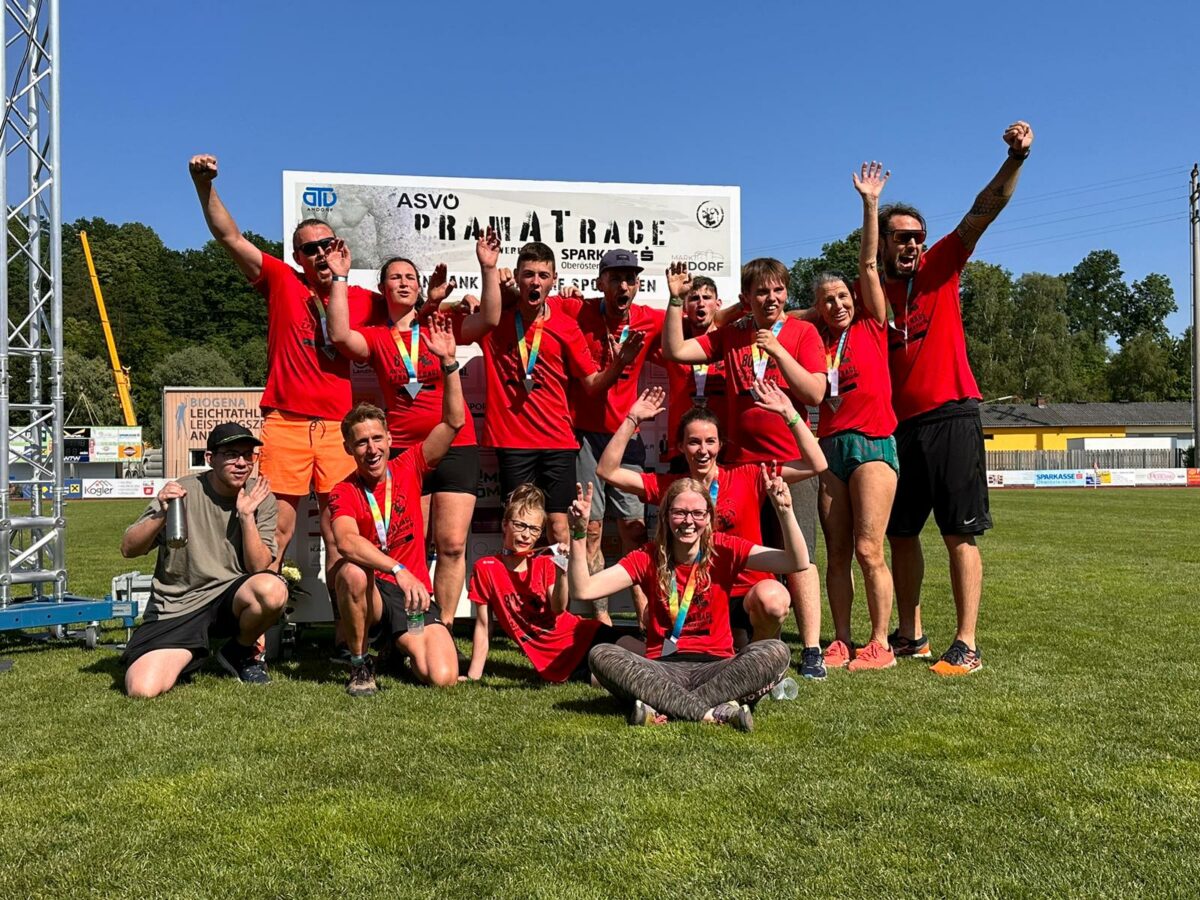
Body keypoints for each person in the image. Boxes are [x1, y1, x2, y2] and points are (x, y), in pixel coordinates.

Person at [882, 121, 1034, 676]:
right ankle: (911, 634)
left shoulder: (942, 266)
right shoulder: (873, 292)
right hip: (899, 429)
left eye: (917, 236)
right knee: (900, 532)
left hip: (952, 415)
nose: (912, 245)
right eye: (901, 236)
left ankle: (966, 643)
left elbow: (982, 210)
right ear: (881, 242)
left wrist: (1014, 161)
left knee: (958, 532)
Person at [188, 153, 382, 582]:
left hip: (338, 428)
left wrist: (461, 301)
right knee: (277, 528)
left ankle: (348, 645)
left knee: (340, 533)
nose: (320, 254)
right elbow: (230, 237)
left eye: (327, 245)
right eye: (310, 249)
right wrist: (204, 187)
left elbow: (411, 309)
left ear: (340, 249)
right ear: (298, 257)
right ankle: (259, 636)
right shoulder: (282, 280)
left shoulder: (362, 298)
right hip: (286, 422)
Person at [324, 228, 501, 628]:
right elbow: (338, 335)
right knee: (411, 544)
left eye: (410, 278)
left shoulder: (442, 323)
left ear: (420, 286)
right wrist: (339, 278)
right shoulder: (377, 338)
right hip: (403, 452)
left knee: (453, 545)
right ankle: (408, 623)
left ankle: (445, 626)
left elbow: (489, 319)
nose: (403, 283)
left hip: (456, 444)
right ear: (383, 288)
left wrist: (487, 269)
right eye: (395, 278)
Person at [662, 257, 830, 679]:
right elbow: (676, 350)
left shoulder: (803, 332)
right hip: (740, 469)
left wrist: (777, 350)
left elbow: (813, 392)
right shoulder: (733, 334)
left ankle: (811, 649)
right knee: (742, 559)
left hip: (790, 465)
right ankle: (742, 639)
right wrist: (672, 300)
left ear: (786, 294)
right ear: (746, 298)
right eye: (760, 292)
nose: (770, 299)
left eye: (777, 291)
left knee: (800, 554)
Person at [596, 381, 826, 650]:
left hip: (746, 590)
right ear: (681, 446)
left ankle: (762, 657)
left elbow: (816, 464)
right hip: (694, 596)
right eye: (693, 442)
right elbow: (607, 471)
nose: (703, 450)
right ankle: (731, 644)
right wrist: (632, 419)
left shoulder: (747, 476)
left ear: (720, 445)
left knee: (773, 600)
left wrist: (791, 414)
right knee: (657, 621)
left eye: (710, 442)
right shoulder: (671, 485)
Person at [571, 474, 806, 732]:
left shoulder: (724, 549)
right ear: (666, 516)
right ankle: (715, 712)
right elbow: (584, 589)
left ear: (708, 517)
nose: (688, 521)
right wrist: (579, 533)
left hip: (718, 667)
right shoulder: (647, 556)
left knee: (776, 651)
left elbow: (795, 562)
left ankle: (661, 705)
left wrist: (785, 511)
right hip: (662, 668)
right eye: (680, 513)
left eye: (697, 513)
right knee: (601, 654)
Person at [327, 316, 465, 697]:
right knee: (353, 573)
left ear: (389, 439)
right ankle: (360, 664)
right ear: (348, 449)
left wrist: (449, 364)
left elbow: (453, 422)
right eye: (360, 442)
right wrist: (399, 569)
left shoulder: (411, 465)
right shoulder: (344, 491)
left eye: (376, 439)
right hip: (375, 593)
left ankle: (397, 647)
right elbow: (347, 543)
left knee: (442, 676)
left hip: (412, 599)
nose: (371, 449)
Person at [479, 241, 644, 552]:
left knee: (560, 531)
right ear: (517, 276)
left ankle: (560, 601)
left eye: (543, 275)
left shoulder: (567, 325)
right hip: (512, 442)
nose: (535, 281)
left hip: (559, 443)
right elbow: (466, 318)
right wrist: (484, 282)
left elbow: (593, 384)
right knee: (520, 528)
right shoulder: (495, 319)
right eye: (528, 274)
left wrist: (620, 361)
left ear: (554, 280)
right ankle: (520, 599)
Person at [119, 423, 287, 698]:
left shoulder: (260, 497)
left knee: (272, 589)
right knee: (142, 689)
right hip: (179, 606)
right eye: (231, 454)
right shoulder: (182, 492)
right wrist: (161, 515)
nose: (242, 463)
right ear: (210, 459)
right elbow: (129, 549)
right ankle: (189, 652)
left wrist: (246, 517)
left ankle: (239, 651)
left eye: (248, 455)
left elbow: (258, 568)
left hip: (229, 600)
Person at [810, 162, 900, 672]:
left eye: (842, 296)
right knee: (838, 552)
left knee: (870, 548)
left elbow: (868, 265)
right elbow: (778, 314)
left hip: (872, 442)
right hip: (830, 449)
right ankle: (840, 640)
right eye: (828, 300)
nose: (839, 303)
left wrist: (869, 204)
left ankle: (880, 643)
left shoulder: (872, 321)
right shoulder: (818, 336)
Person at [553, 248, 664, 625]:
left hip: (626, 436)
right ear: (600, 282)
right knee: (593, 528)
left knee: (634, 530)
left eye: (630, 279)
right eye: (615, 278)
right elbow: (524, 300)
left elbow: (703, 322)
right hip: (585, 437)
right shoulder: (576, 311)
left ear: (638, 285)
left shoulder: (650, 319)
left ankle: (646, 614)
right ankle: (601, 619)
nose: (623, 285)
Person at [463, 484, 644, 683]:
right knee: (628, 679)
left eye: (533, 529)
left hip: (582, 633)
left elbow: (558, 609)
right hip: (557, 663)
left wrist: (561, 573)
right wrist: (474, 675)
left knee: (651, 659)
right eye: (519, 525)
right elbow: (483, 625)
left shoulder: (544, 562)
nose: (525, 535)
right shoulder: (486, 567)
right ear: (505, 525)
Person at [658, 275, 727, 474]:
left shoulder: (729, 339)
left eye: (707, 297)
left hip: (722, 445)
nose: (701, 303)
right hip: (683, 445)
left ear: (718, 303)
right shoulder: (672, 343)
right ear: (685, 307)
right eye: (694, 299)